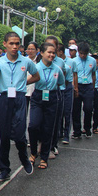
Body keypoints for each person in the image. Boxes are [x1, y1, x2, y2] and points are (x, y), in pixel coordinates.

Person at [0, 32, 40, 180]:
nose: (15, 47)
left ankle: (24, 158)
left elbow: (36, 76)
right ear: (5, 44)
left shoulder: (26, 62)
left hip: (19, 98)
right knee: (4, 136)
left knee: (19, 134)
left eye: (17, 43)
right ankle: (4, 169)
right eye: (11, 43)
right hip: (4, 98)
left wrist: (22, 84)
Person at [27, 42, 65, 170]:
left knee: (48, 128)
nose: (51, 55)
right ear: (41, 53)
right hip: (38, 97)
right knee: (33, 125)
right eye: (49, 52)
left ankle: (44, 157)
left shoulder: (57, 69)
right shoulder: (35, 67)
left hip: (52, 98)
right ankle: (33, 152)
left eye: (53, 53)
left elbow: (60, 83)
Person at [72, 42, 97, 138]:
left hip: (88, 86)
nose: (83, 55)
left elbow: (93, 74)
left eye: (85, 54)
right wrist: (75, 88)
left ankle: (87, 128)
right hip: (78, 86)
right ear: (78, 52)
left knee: (88, 108)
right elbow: (74, 75)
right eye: (81, 53)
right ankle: (76, 131)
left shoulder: (92, 61)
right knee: (76, 110)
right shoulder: (74, 61)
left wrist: (93, 87)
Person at [60, 44, 75, 142]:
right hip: (58, 87)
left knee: (67, 111)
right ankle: (59, 132)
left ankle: (66, 134)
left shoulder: (71, 62)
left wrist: (75, 88)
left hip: (68, 86)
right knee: (58, 112)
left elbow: (75, 74)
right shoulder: (54, 61)